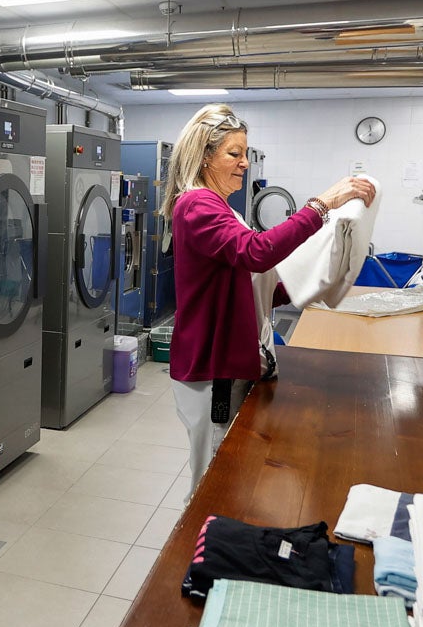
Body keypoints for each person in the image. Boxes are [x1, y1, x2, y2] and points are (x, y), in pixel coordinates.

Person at [159, 104, 376, 498]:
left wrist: (321, 272)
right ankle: (200, 553)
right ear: (204, 155)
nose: (244, 163)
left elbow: (255, 282)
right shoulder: (196, 205)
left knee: (230, 470)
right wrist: (321, 205)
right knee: (212, 480)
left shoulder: (222, 207)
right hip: (214, 368)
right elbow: (255, 253)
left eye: (245, 153)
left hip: (237, 358)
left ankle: (218, 542)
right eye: (234, 153)